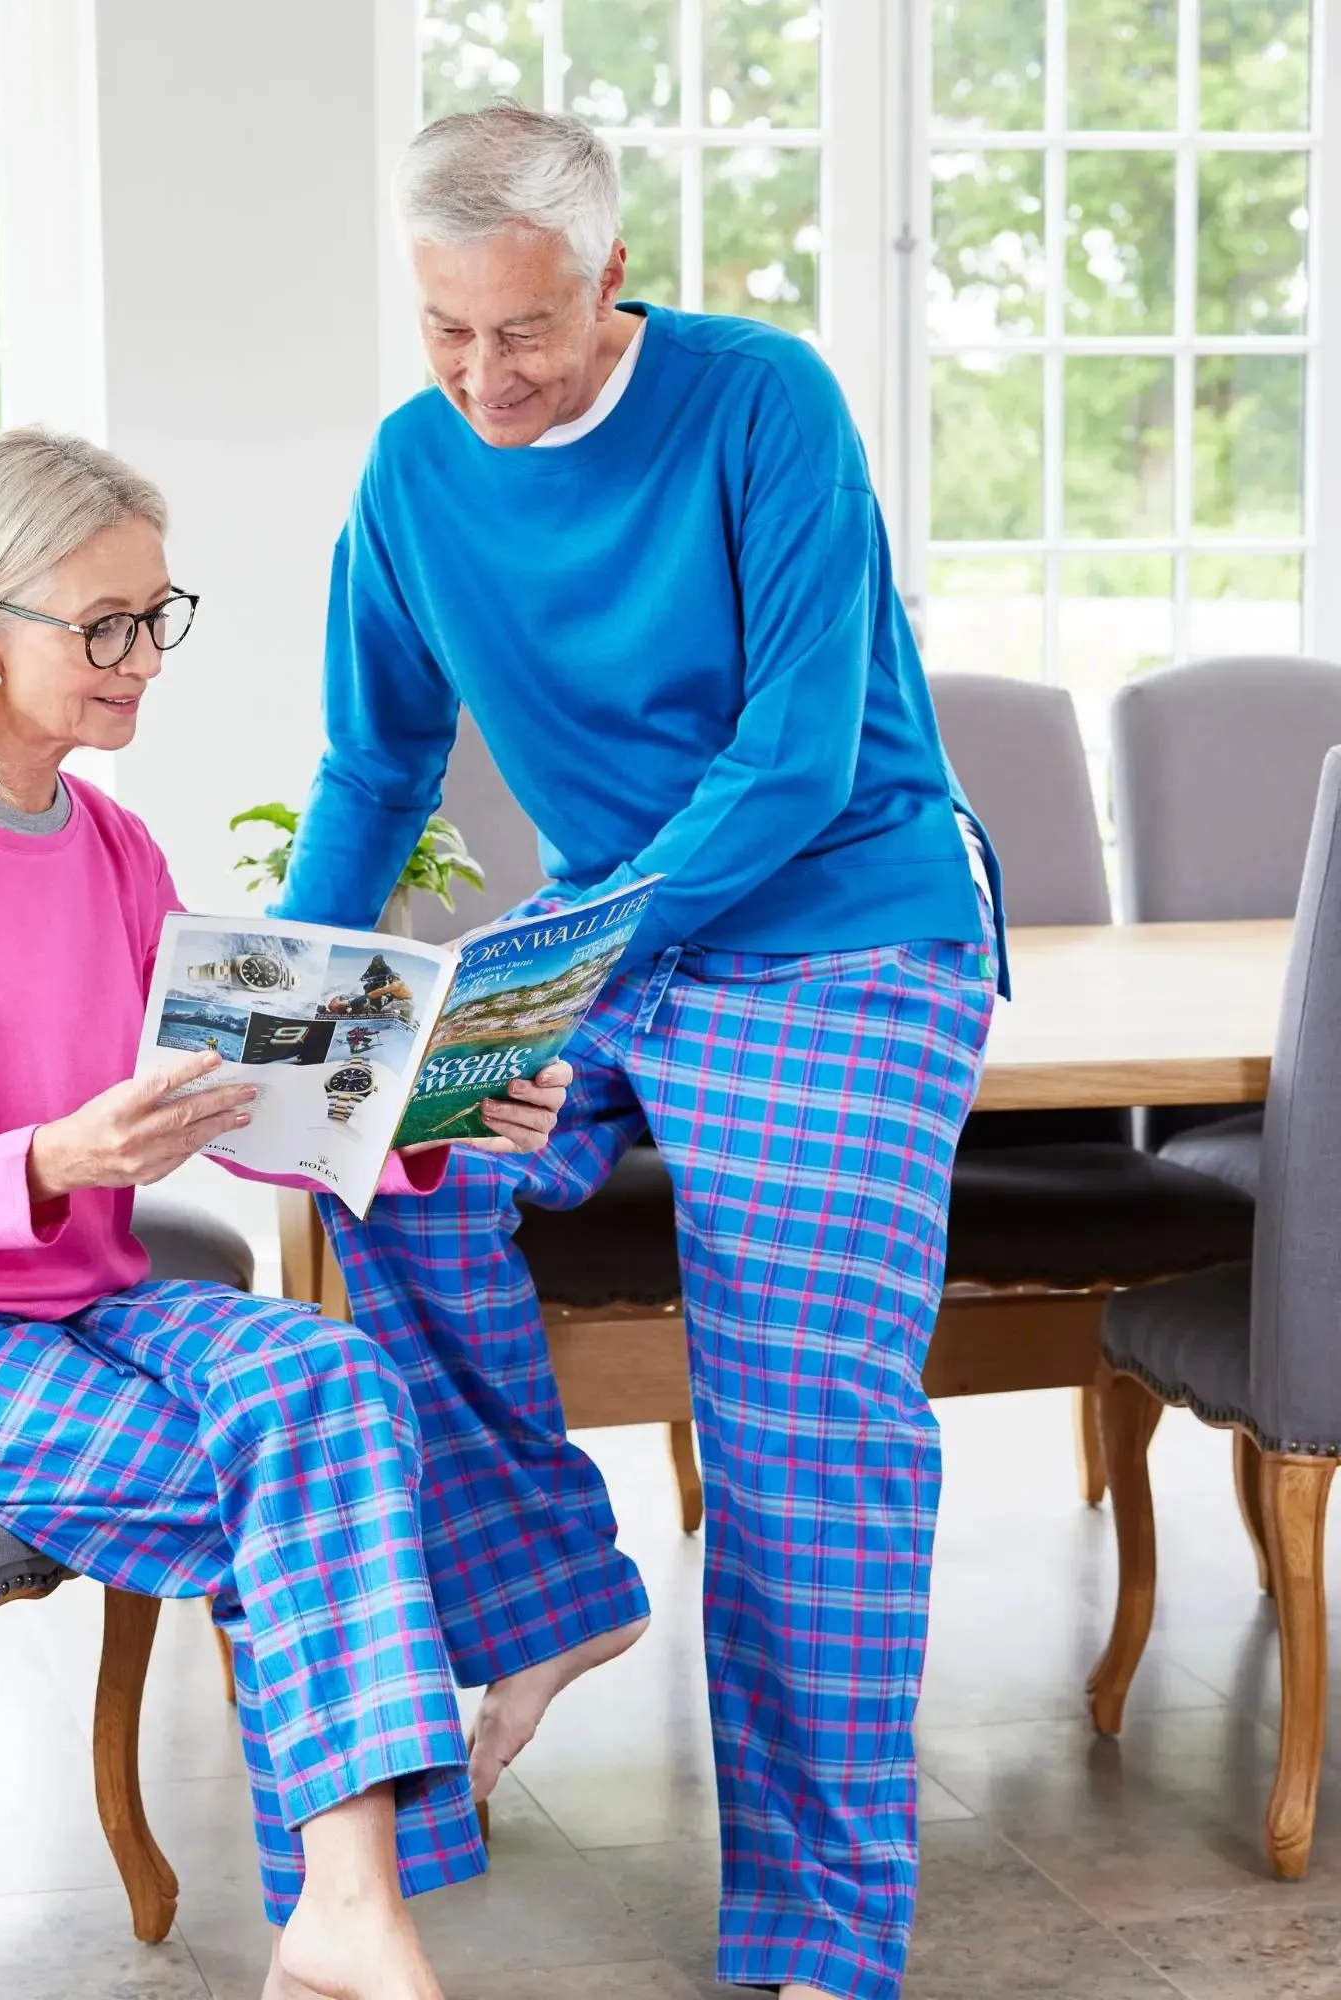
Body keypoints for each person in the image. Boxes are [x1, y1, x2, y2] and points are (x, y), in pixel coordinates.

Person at [272, 105, 1005, 2000]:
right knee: (380, 1166)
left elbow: (798, 759)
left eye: (520, 330)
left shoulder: (764, 403)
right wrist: (307, 1041)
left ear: (610, 279)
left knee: (797, 1429)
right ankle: (549, 1591)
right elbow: (375, 765)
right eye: (442, 329)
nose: (480, 374)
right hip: (611, 941)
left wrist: (576, 973)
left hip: (842, 928)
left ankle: (820, 1941)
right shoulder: (416, 470)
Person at [0, 426, 575, 2000]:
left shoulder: (117, 852)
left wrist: (435, 1121)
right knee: (313, 1481)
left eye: (155, 618)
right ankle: (355, 1907)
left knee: (331, 1385)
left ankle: (344, 1910)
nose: (142, 661)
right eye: (104, 628)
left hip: (69, 1309)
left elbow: (235, 1112)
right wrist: (49, 1159)